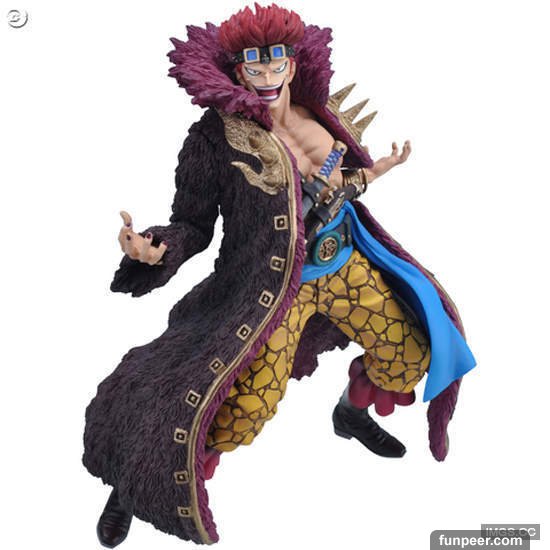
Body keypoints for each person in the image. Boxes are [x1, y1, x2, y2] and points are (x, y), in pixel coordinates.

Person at [83, 4, 476, 547]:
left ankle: (350, 414)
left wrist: (378, 170)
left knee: (408, 352)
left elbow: (348, 182)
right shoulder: (214, 139)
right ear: (237, 70)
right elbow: (192, 224)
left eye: (275, 64)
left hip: (345, 266)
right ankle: (136, 483)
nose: (266, 77)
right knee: (243, 409)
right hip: (272, 290)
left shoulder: (325, 114)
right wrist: (155, 249)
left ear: (292, 64)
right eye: (254, 66)